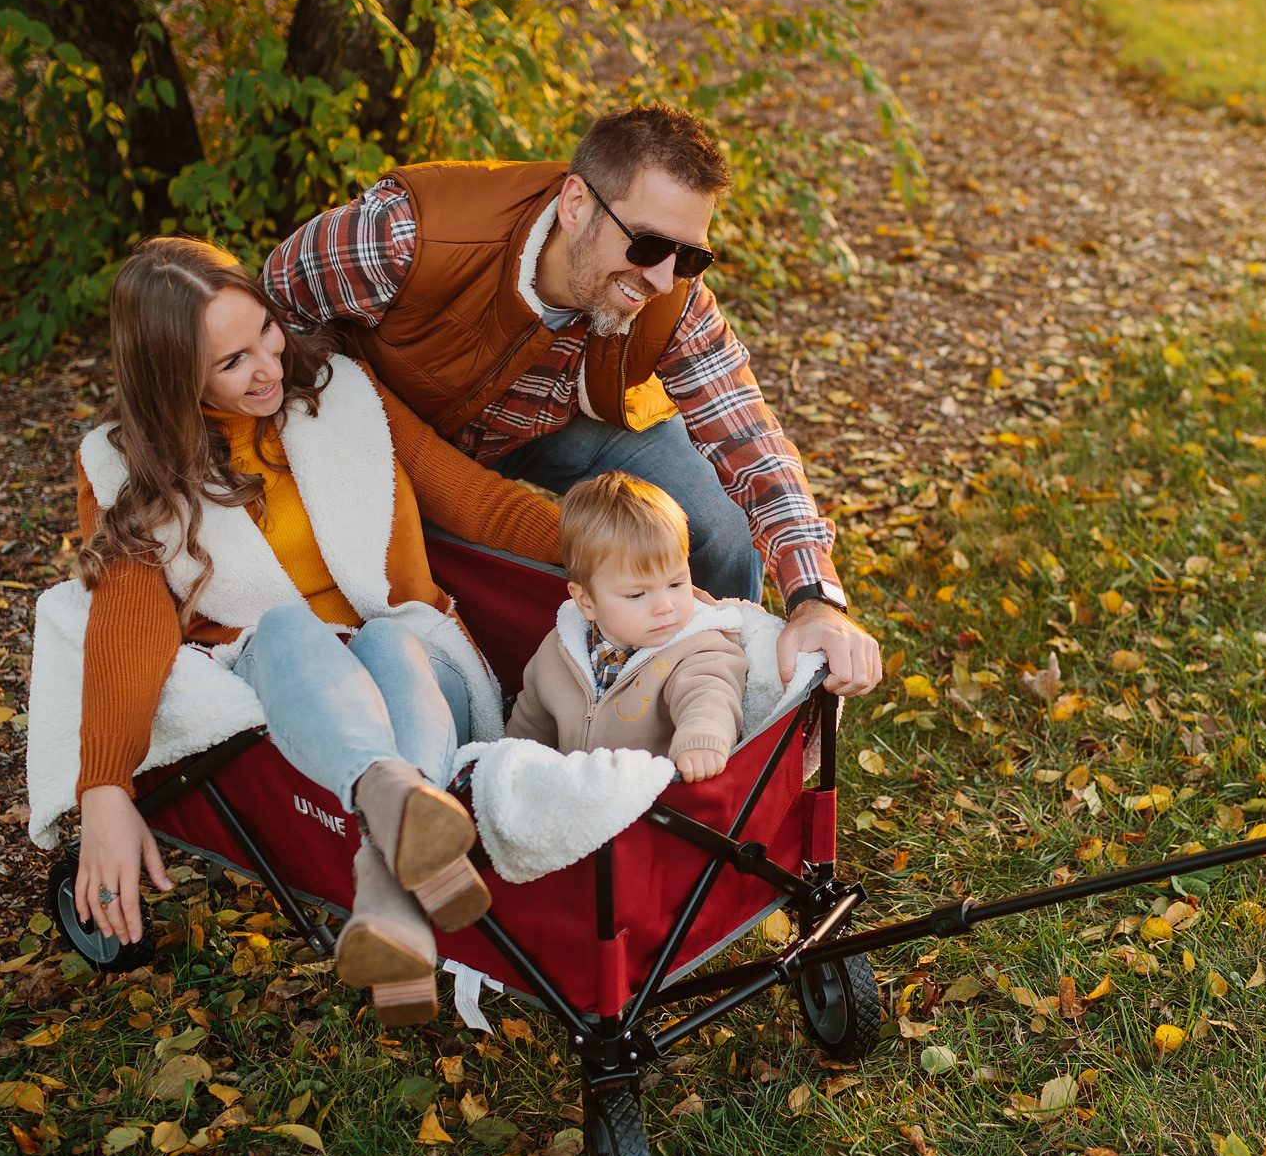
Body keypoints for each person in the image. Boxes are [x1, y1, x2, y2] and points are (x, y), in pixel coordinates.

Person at [65, 238, 563, 1026]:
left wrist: (611, 544)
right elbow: (124, 629)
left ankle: (385, 878)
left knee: (393, 637)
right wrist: (103, 787)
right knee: (291, 625)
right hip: (291, 687)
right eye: (231, 362)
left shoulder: (344, 395)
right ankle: (401, 832)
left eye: (266, 330)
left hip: (413, 679)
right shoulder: (136, 474)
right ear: (174, 379)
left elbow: (477, 502)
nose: (268, 364)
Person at [258, 102, 882, 700]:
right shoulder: (405, 236)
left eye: (691, 256)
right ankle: (566, 691)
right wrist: (348, 437)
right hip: (401, 426)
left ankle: (709, 696)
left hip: (550, 425)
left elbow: (752, 439)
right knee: (495, 566)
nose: (664, 279)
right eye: (648, 247)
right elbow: (272, 320)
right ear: (577, 204)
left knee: (719, 526)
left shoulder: (675, 297)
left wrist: (816, 599)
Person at [505, 472, 749, 779]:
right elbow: (529, 724)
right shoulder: (558, 652)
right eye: (637, 594)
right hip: (572, 796)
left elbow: (709, 692)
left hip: (654, 803)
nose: (665, 606)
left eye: (676, 583)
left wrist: (703, 739)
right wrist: (506, 763)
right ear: (586, 602)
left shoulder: (698, 647)